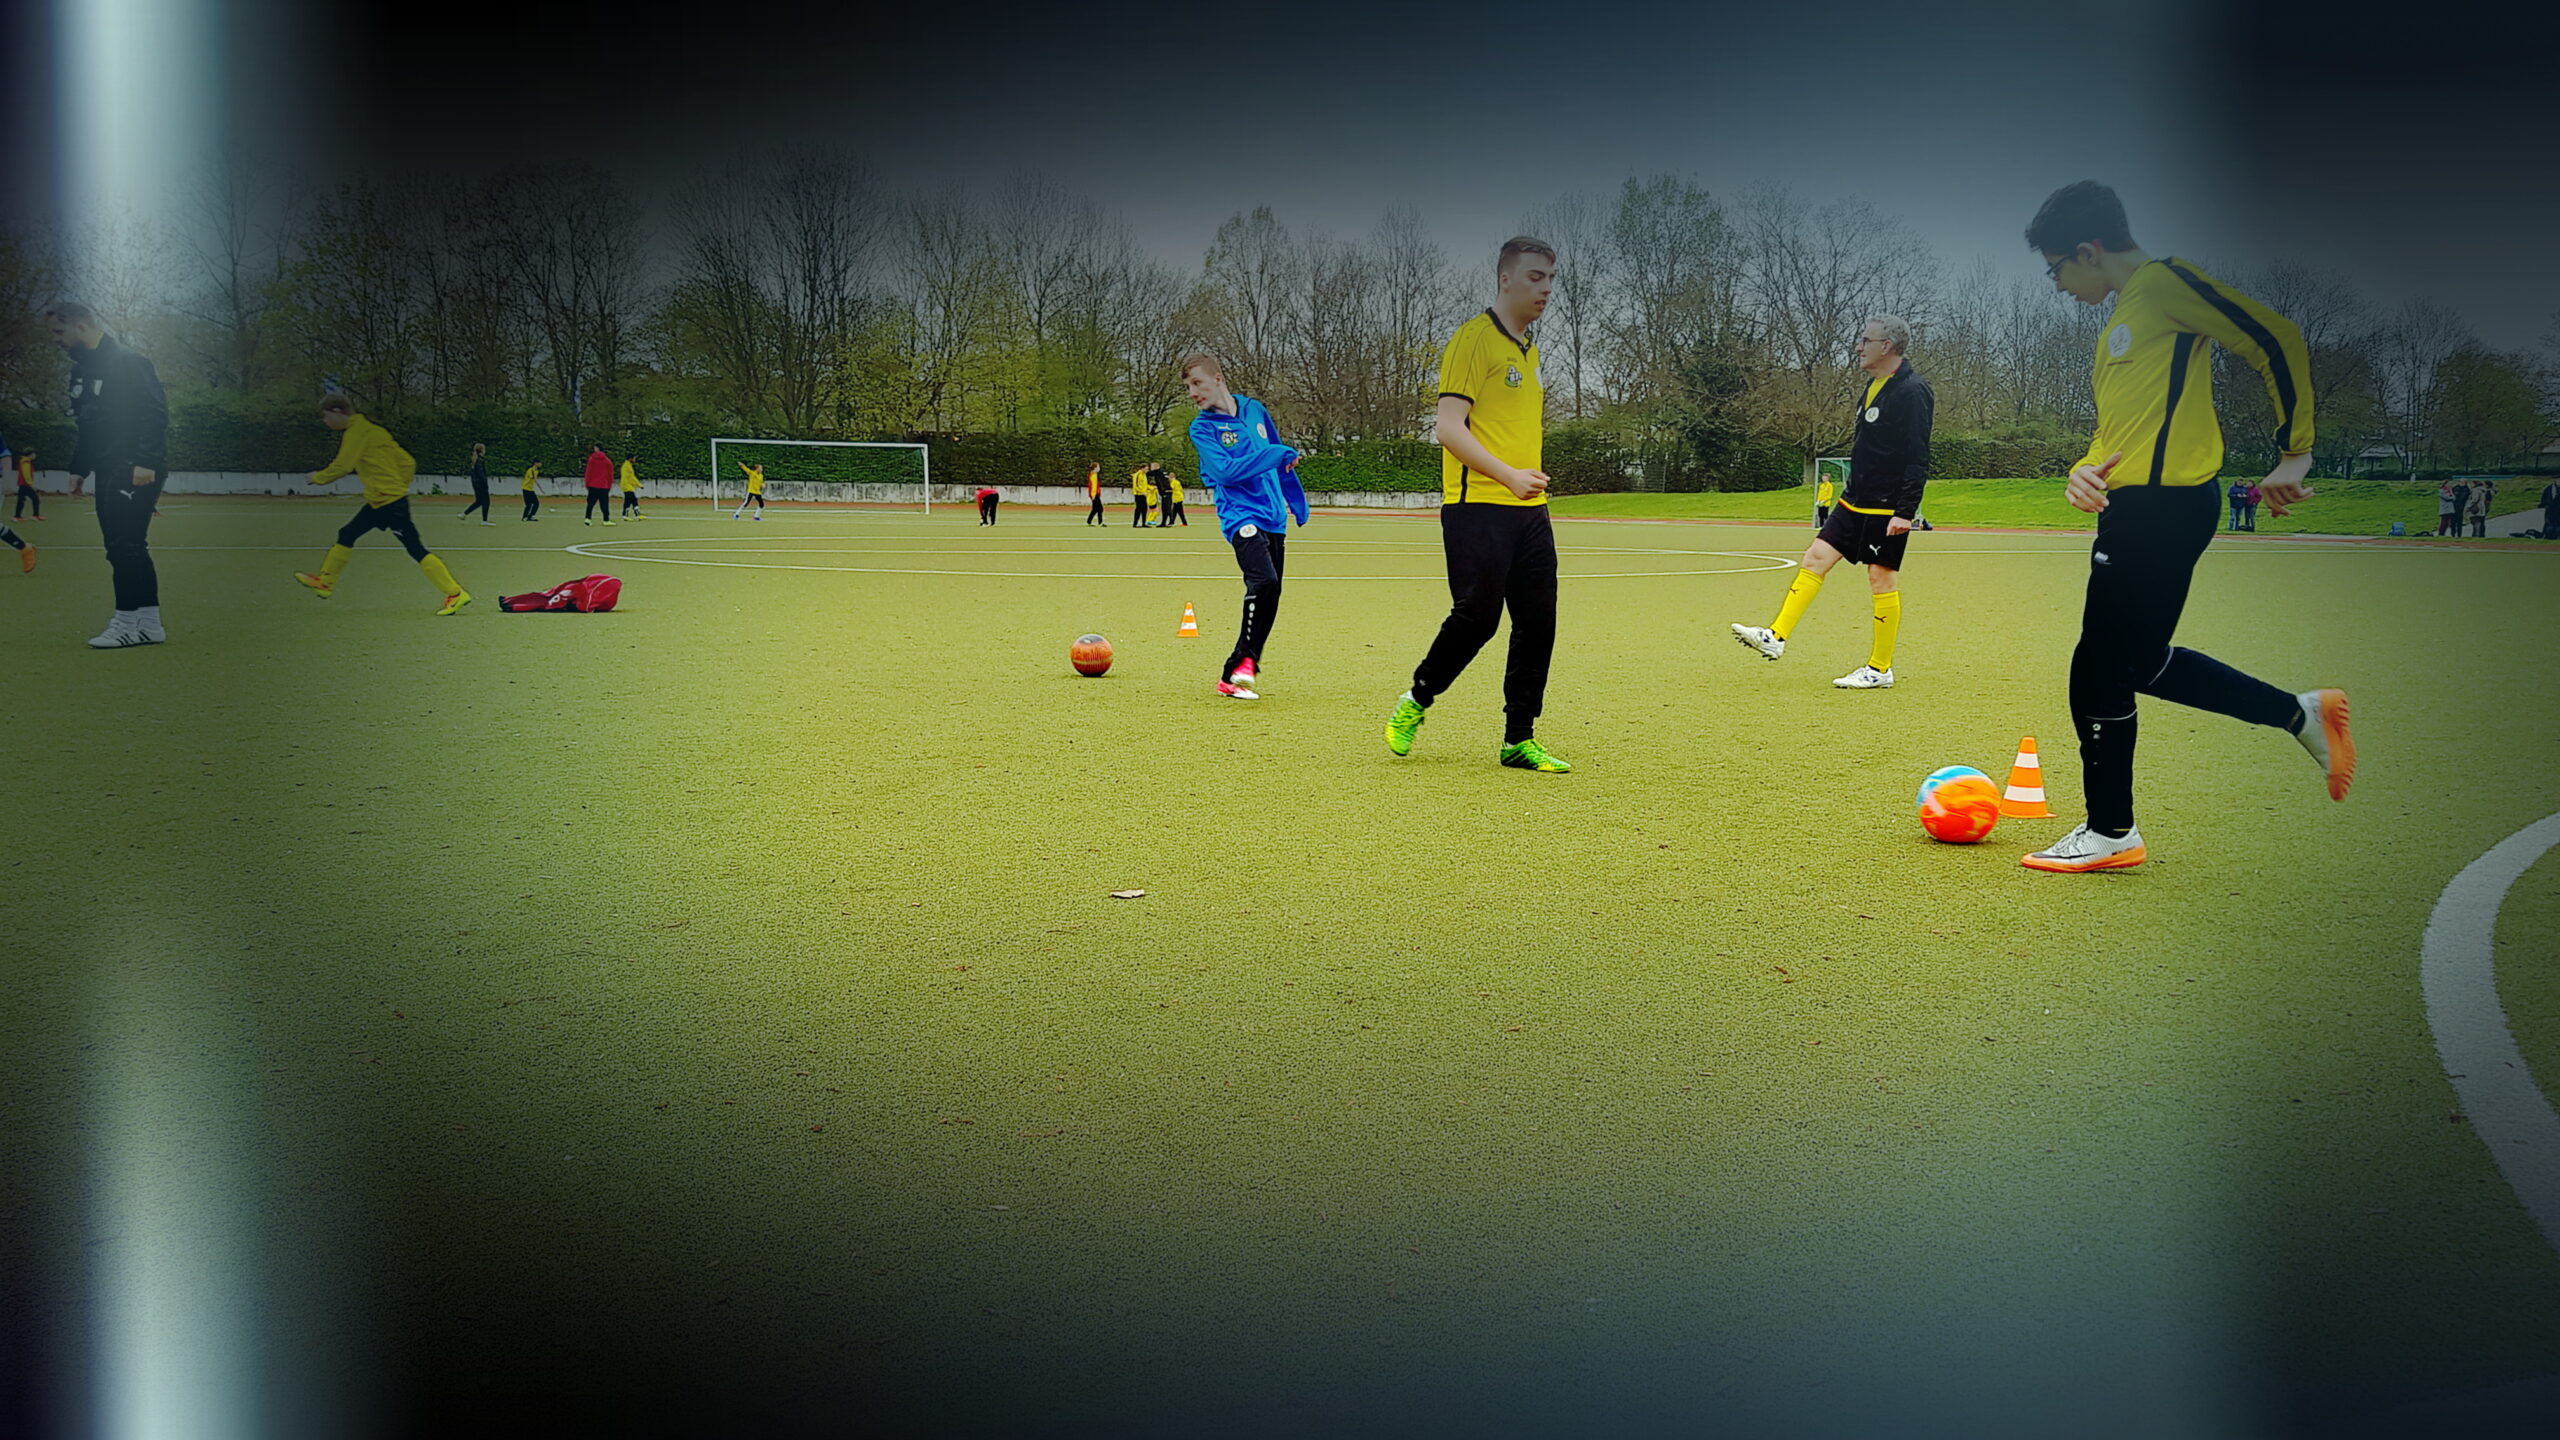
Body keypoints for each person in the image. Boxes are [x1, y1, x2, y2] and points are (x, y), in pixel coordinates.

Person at [2019, 180, 2353, 874]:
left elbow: (2276, 337)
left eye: (2056, 270)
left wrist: (2295, 451)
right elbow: (2117, 433)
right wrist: (2083, 470)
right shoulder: (2121, 320)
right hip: (2136, 508)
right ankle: (2301, 715)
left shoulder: (2165, 284)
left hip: (2163, 508)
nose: (2058, 286)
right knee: (2136, 663)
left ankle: (2112, 831)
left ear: (2089, 250)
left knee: (2098, 668)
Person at [1383, 236, 1569, 773]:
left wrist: (1525, 483)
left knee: (1538, 623)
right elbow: (1447, 427)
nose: (1546, 289)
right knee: (1478, 618)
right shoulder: (1473, 339)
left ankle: (1518, 739)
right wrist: (1508, 476)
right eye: (1535, 277)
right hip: (1477, 506)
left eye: (1551, 279)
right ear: (1505, 279)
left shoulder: (1528, 351)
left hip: (1530, 512)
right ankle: (1416, 699)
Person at [1732, 316, 1933, 689]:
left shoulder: (1912, 391)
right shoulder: (1873, 386)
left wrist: (1905, 511)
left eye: (1865, 340)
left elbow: (1917, 455)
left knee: (1880, 578)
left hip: (1886, 506)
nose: (1858, 347)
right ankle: (1775, 636)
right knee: (1815, 558)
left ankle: (1879, 669)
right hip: (1854, 500)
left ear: (1886, 346)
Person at [1184, 353, 1309, 701]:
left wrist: (1295, 500)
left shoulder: (1254, 410)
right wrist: (1277, 454)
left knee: (1272, 593)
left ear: (1218, 379)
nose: (1192, 393)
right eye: (1188, 387)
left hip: (1273, 516)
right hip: (1240, 515)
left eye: (1197, 383)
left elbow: (1280, 458)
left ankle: (1236, 672)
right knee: (1263, 581)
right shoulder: (1202, 428)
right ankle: (1244, 664)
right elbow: (1227, 472)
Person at [47, 300, 169, 647]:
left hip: (133, 465)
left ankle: (126, 623)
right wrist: (79, 468)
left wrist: (146, 461)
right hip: (107, 465)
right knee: (123, 546)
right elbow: (88, 425)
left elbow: (154, 412)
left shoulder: (127, 361)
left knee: (124, 544)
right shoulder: (82, 370)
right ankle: (149, 624)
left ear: (80, 326)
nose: (56, 339)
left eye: (59, 331)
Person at [292, 395, 471, 615]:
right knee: (347, 533)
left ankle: (455, 593)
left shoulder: (355, 433)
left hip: (389, 504)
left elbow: (343, 465)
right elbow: (408, 462)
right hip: (382, 501)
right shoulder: (375, 431)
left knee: (415, 549)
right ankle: (326, 582)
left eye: (325, 416)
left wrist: (318, 477)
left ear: (338, 412)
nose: (325, 421)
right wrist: (399, 485)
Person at [582, 445, 616, 526]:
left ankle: (588, 518)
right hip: (604, 486)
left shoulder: (591, 459)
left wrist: (587, 483)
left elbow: (588, 472)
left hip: (592, 485)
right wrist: (609, 485)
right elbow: (610, 475)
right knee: (604, 504)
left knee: (590, 503)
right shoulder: (608, 461)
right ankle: (606, 520)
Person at [461, 442, 493, 523]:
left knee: (479, 501)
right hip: (481, 484)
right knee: (486, 502)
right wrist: (485, 484)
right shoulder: (480, 460)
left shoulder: (474, 460)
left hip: (475, 484)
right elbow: (481, 474)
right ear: (481, 450)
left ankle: (464, 514)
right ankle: (484, 521)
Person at [619, 453, 644, 519]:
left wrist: (638, 485)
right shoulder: (627, 466)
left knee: (628, 501)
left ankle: (625, 515)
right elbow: (630, 478)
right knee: (633, 500)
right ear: (630, 458)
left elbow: (631, 477)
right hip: (627, 486)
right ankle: (637, 515)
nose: (634, 459)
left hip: (627, 485)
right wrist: (639, 485)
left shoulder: (628, 465)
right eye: (634, 458)